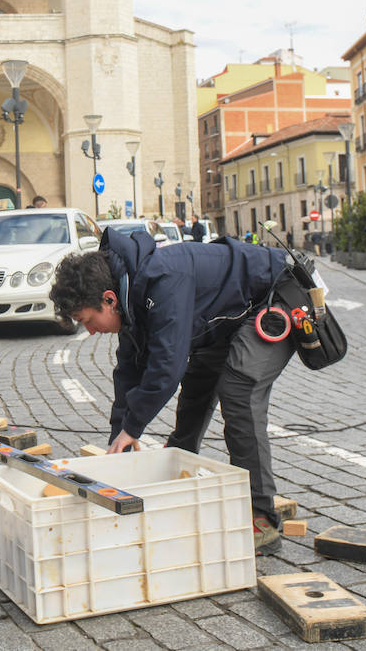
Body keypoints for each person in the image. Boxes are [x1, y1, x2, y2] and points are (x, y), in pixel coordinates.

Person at [49, 229, 293, 554]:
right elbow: (129, 370)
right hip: (224, 320)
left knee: (238, 391)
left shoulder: (163, 281)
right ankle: (174, 483)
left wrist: (134, 427)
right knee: (196, 389)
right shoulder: (130, 295)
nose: (91, 331)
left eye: (87, 320)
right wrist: (120, 434)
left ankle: (261, 517)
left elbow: (166, 366)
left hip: (278, 295)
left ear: (108, 299)